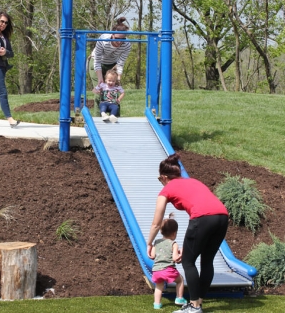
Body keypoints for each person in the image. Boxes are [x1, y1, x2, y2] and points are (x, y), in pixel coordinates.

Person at [147, 153, 228, 313]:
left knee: (188, 263)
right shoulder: (193, 181)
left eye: (159, 180)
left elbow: (157, 223)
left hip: (203, 218)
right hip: (223, 217)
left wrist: (149, 243)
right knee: (207, 261)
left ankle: (194, 306)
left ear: (163, 177)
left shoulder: (167, 189)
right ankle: (198, 303)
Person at [88, 17, 131, 116]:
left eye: (122, 39)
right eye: (117, 39)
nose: (119, 42)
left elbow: (120, 63)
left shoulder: (127, 44)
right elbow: (97, 61)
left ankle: (115, 117)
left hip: (112, 65)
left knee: (114, 90)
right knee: (100, 92)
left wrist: (118, 77)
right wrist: (100, 79)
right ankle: (99, 119)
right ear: (112, 35)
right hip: (96, 62)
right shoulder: (103, 39)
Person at [149, 213, 187, 310]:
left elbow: (153, 256)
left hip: (157, 270)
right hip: (168, 269)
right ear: (174, 233)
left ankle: (156, 304)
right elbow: (175, 258)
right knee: (180, 280)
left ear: (161, 231)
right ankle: (179, 298)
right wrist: (181, 253)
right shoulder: (173, 244)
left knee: (159, 286)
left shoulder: (156, 242)